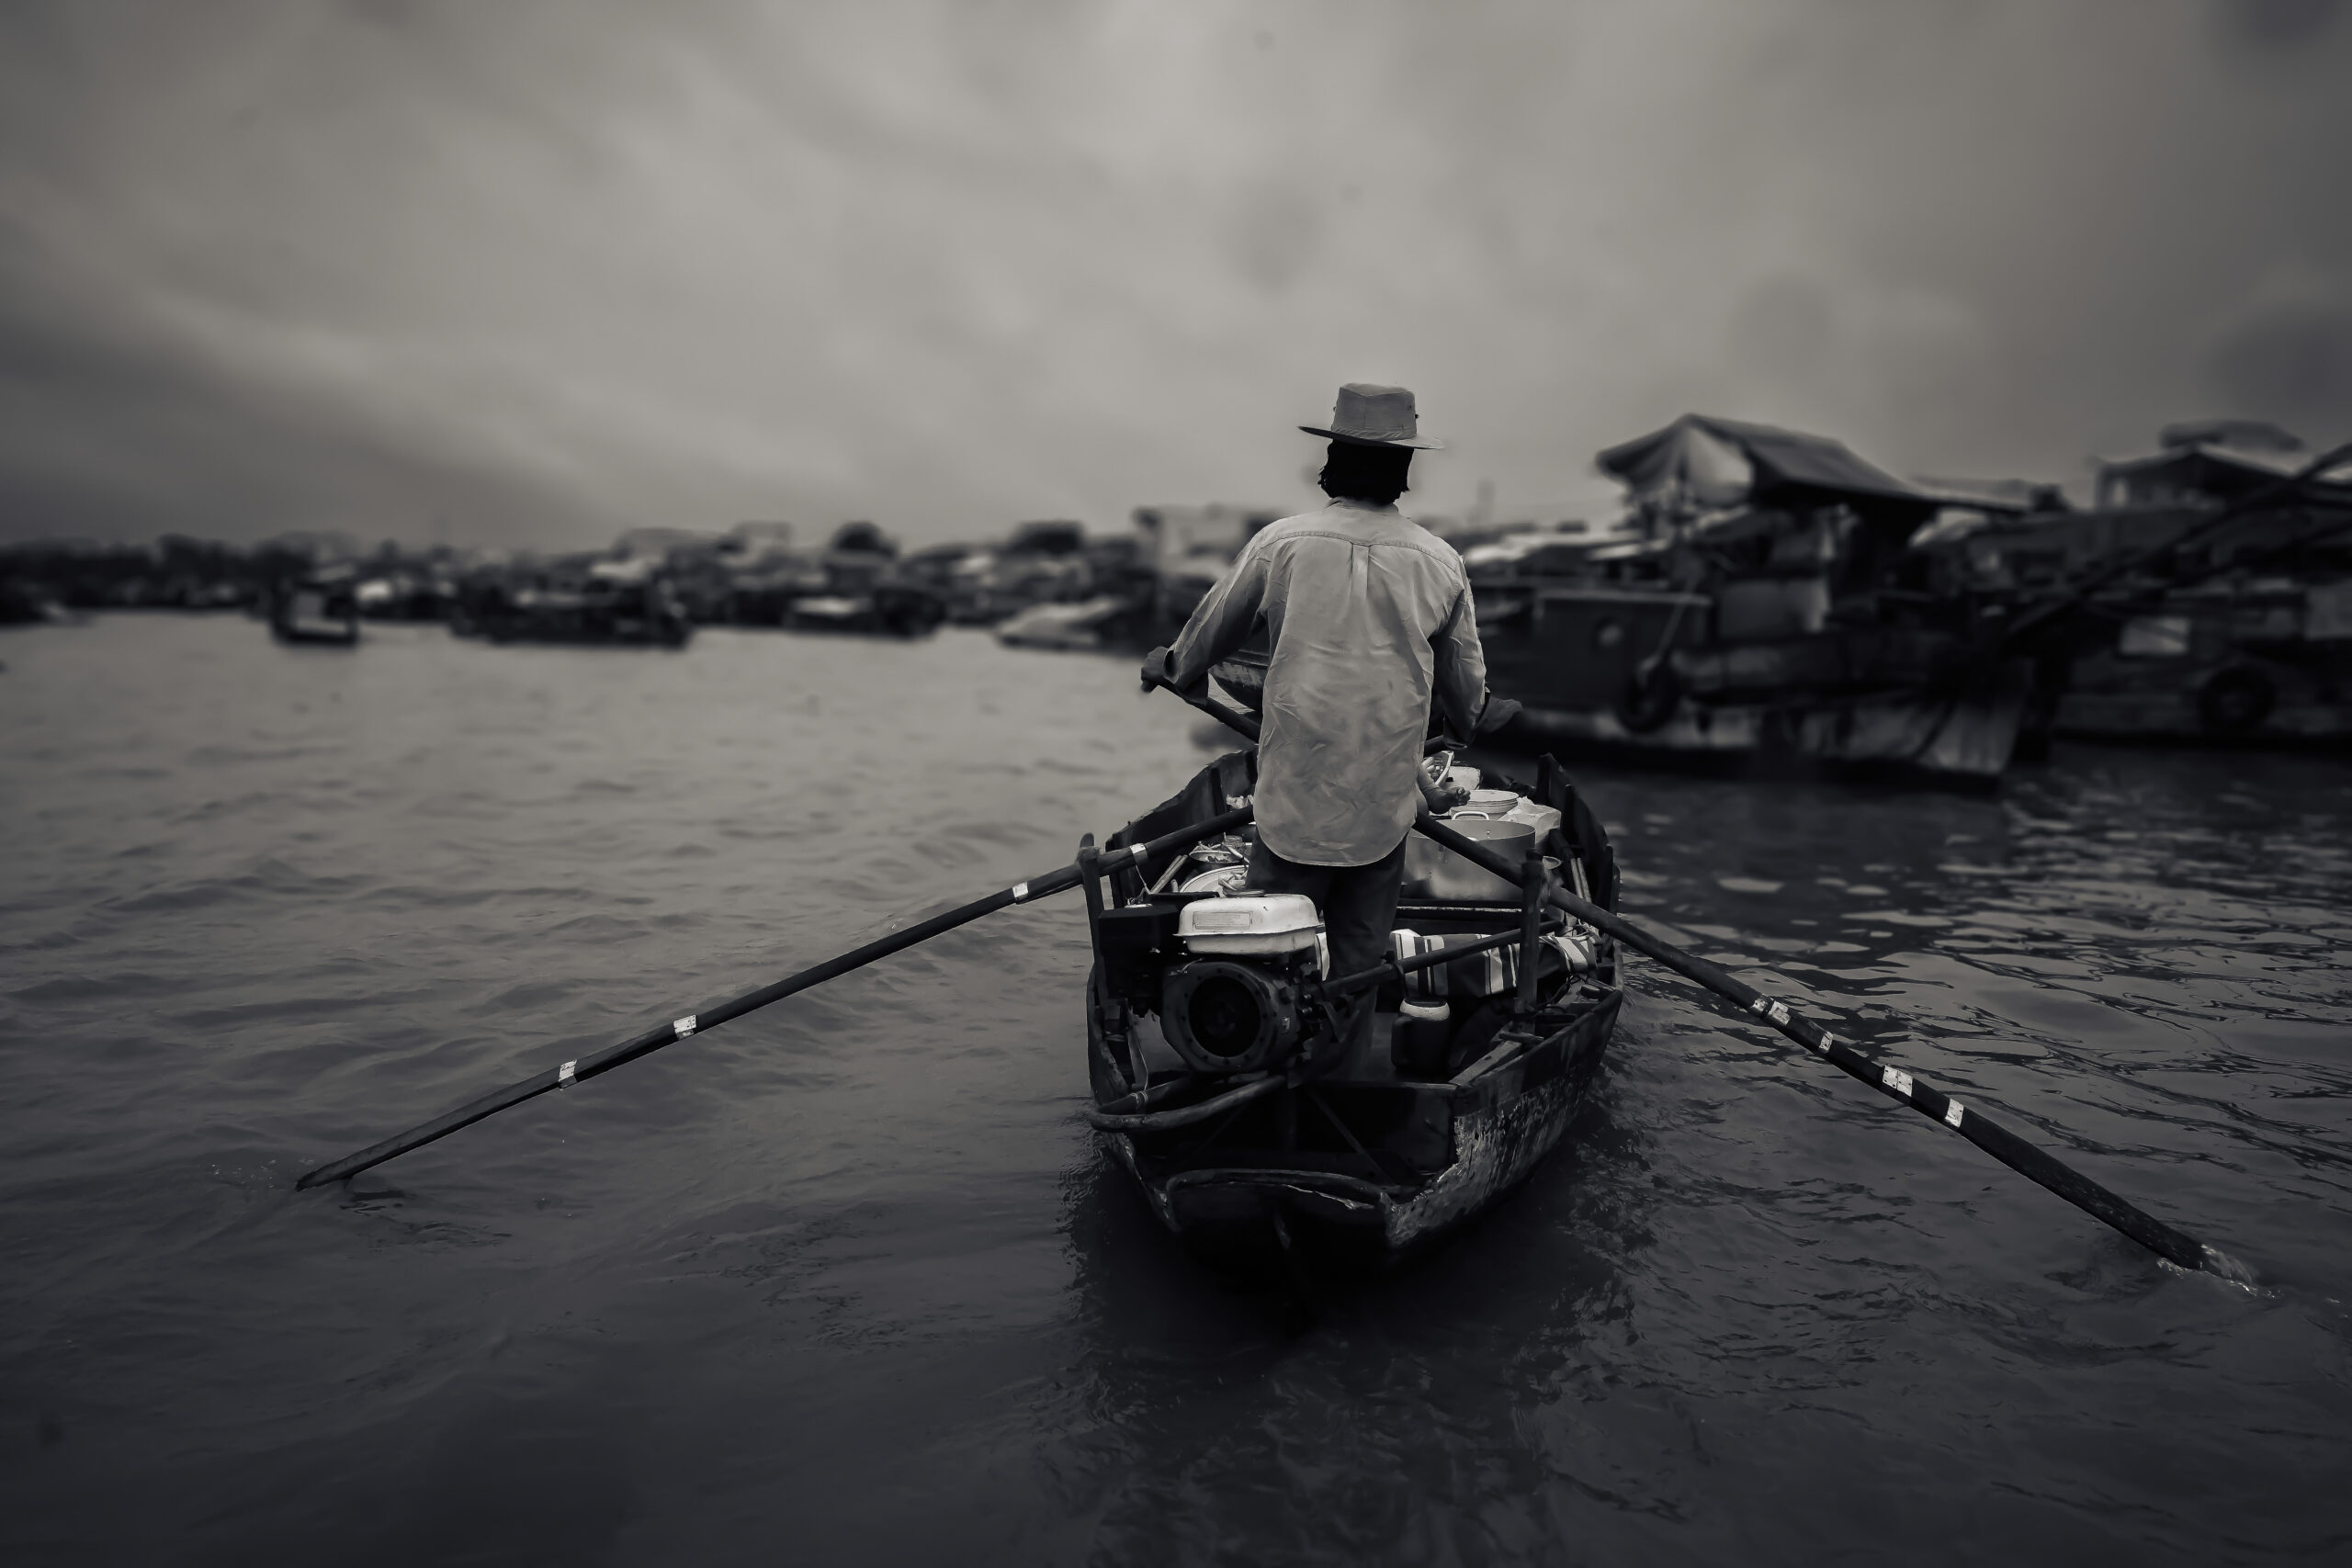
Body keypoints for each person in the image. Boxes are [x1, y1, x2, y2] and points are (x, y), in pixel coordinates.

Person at [1143, 382, 1508, 1066]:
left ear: (1333, 462)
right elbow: (1466, 697)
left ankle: (1262, 1085)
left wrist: (1171, 666)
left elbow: (1206, 637)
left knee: (1272, 958)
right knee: (1355, 972)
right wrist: (1467, 719)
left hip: (1293, 802)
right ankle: (1332, 1082)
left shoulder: (1280, 543)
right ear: (1402, 473)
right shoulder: (1441, 562)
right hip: (1380, 809)